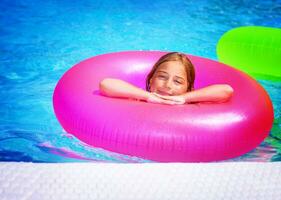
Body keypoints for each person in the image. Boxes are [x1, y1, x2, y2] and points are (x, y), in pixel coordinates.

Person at [99, 52, 234, 105]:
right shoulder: (139, 98)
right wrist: (148, 96)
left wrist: (185, 98)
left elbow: (226, 90)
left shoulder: (190, 103)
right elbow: (106, 84)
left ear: (188, 88)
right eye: (162, 77)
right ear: (151, 80)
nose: (168, 85)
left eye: (177, 81)